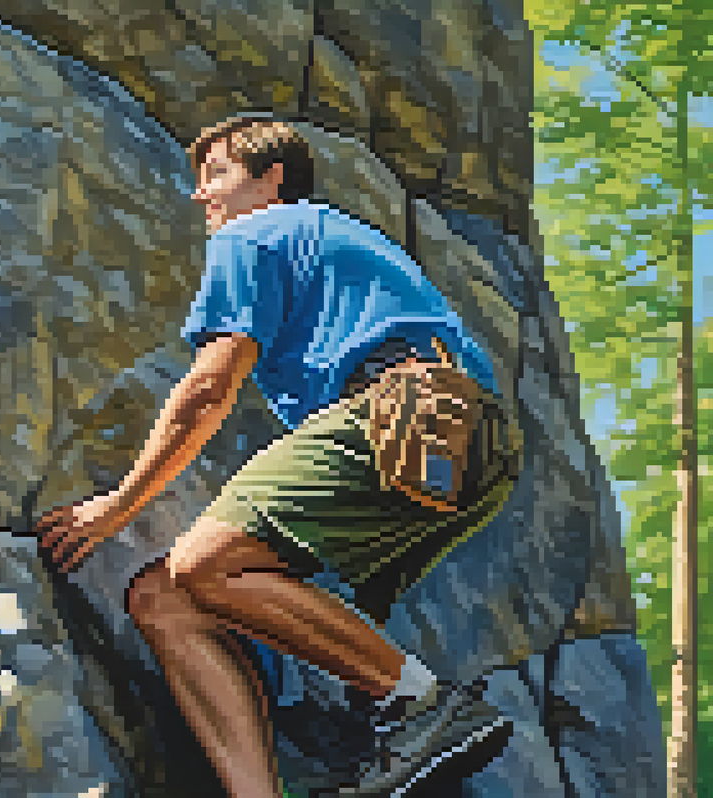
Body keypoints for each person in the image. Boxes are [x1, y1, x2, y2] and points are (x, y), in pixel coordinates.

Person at [36, 117, 524, 798]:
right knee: (164, 599)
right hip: (465, 449)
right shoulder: (330, 242)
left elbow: (210, 385)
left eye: (218, 175)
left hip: (404, 414)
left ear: (272, 179)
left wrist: (117, 507)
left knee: (202, 563)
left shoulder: (256, 232)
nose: (200, 196)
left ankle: (421, 703)